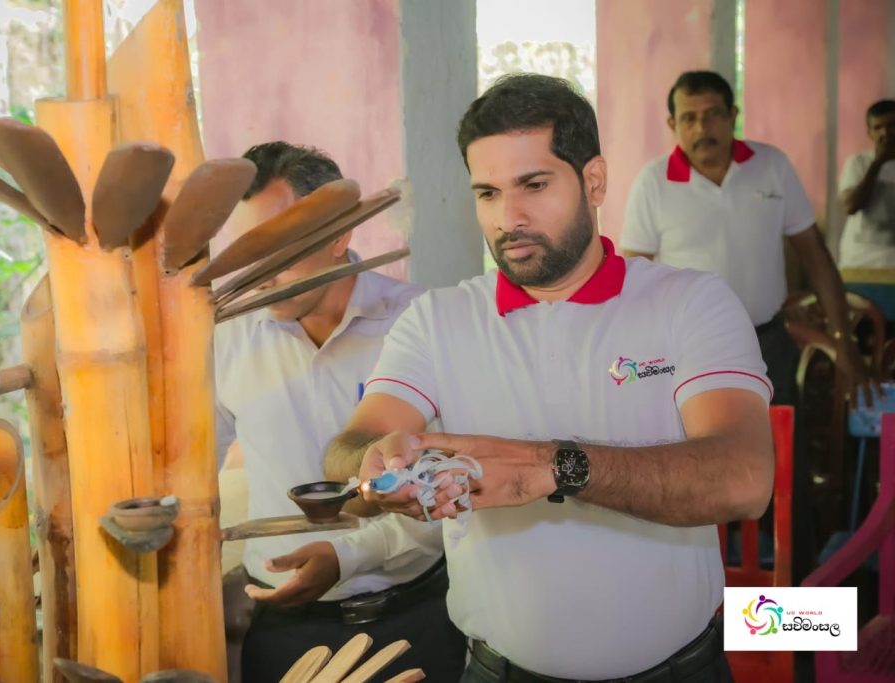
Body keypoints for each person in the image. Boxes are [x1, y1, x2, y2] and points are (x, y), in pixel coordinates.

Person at [323, 73, 773, 682]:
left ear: (594, 181)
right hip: (497, 672)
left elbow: (744, 478)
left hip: (679, 671)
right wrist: (377, 463)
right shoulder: (438, 320)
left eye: (534, 185)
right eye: (487, 193)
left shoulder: (690, 303)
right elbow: (347, 450)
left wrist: (554, 467)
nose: (509, 217)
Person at [213, 141, 466, 683]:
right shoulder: (225, 337)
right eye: (248, 249)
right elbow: (187, 477)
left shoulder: (419, 323)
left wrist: (347, 556)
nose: (260, 273)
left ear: (340, 235)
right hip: (282, 631)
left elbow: (452, 486)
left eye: (279, 246)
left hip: (412, 619)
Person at [620, 70, 876, 408]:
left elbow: (814, 253)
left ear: (732, 115)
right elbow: (635, 275)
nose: (702, 128)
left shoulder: (772, 166)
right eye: (689, 118)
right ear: (673, 124)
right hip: (686, 350)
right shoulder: (653, 182)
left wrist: (843, 337)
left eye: (713, 114)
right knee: (695, 439)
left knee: (777, 437)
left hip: (766, 343)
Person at [838, 99, 895, 269]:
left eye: (892, 125)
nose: (885, 133)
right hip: (860, 259)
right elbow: (850, 206)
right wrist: (877, 163)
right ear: (869, 133)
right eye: (878, 128)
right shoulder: (857, 163)